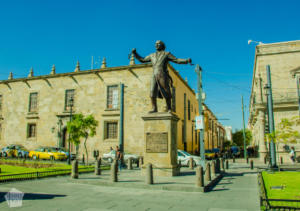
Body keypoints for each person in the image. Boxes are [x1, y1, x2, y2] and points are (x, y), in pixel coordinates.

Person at [132, 40, 192, 113]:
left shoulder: (166, 54)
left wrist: (186, 61)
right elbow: (143, 59)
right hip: (154, 75)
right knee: (152, 93)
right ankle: (154, 108)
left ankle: (169, 108)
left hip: (162, 75)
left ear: (162, 45)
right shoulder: (152, 55)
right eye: (155, 44)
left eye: (158, 44)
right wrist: (135, 53)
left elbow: (177, 60)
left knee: (166, 92)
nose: (156, 45)